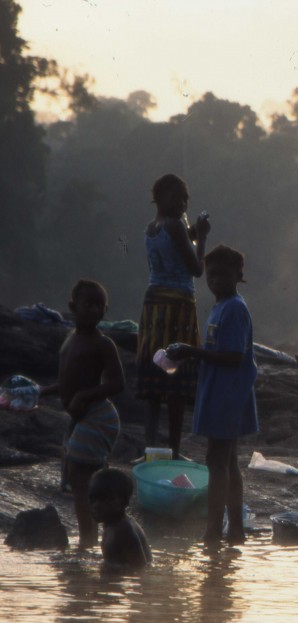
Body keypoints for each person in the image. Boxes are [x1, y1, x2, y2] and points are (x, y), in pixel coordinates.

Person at [167, 245, 258, 545]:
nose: (217, 279)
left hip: (228, 395)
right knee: (227, 460)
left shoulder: (234, 308)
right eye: (212, 274)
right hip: (221, 392)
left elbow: (233, 356)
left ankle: (213, 531)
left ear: (239, 276)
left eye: (224, 274)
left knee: (217, 460)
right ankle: (234, 531)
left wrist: (193, 352)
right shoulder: (221, 307)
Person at [39, 279, 126, 548]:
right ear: (72, 307)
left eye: (100, 306)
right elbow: (68, 382)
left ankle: (88, 542)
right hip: (81, 417)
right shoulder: (69, 340)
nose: (94, 310)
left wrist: (84, 396)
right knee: (81, 484)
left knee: (82, 479)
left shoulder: (103, 344)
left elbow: (118, 383)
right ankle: (90, 539)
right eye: (88, 304)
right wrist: (44, 391)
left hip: (99, 416)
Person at [136, 173, 210, 460]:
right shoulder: (176, 225)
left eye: (185, 199)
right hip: (178, 307)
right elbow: (196, 268)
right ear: (160, 196)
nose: (182, 203)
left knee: (154, 379)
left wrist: (193, 233)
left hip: (153, 305)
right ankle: (176, 451)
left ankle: (150, 448)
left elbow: (176, 245)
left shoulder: (151, 227)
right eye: (176, 197)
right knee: (176, 382)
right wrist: (201, 237)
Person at [88, 468, 152, 568]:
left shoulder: (124, 530)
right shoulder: (110, 524)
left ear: (124, 502)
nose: (96, 505)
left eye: (104, 499)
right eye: (92, 499)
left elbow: (141, 570)